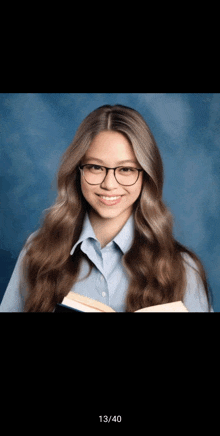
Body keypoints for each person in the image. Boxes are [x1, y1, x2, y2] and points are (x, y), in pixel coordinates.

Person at [0, 104, 214, 312]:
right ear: (77, 171)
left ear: (146, 175)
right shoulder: (38, 250)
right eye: (95, 167)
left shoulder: (183, 268)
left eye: (126, 169)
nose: (109, 184)